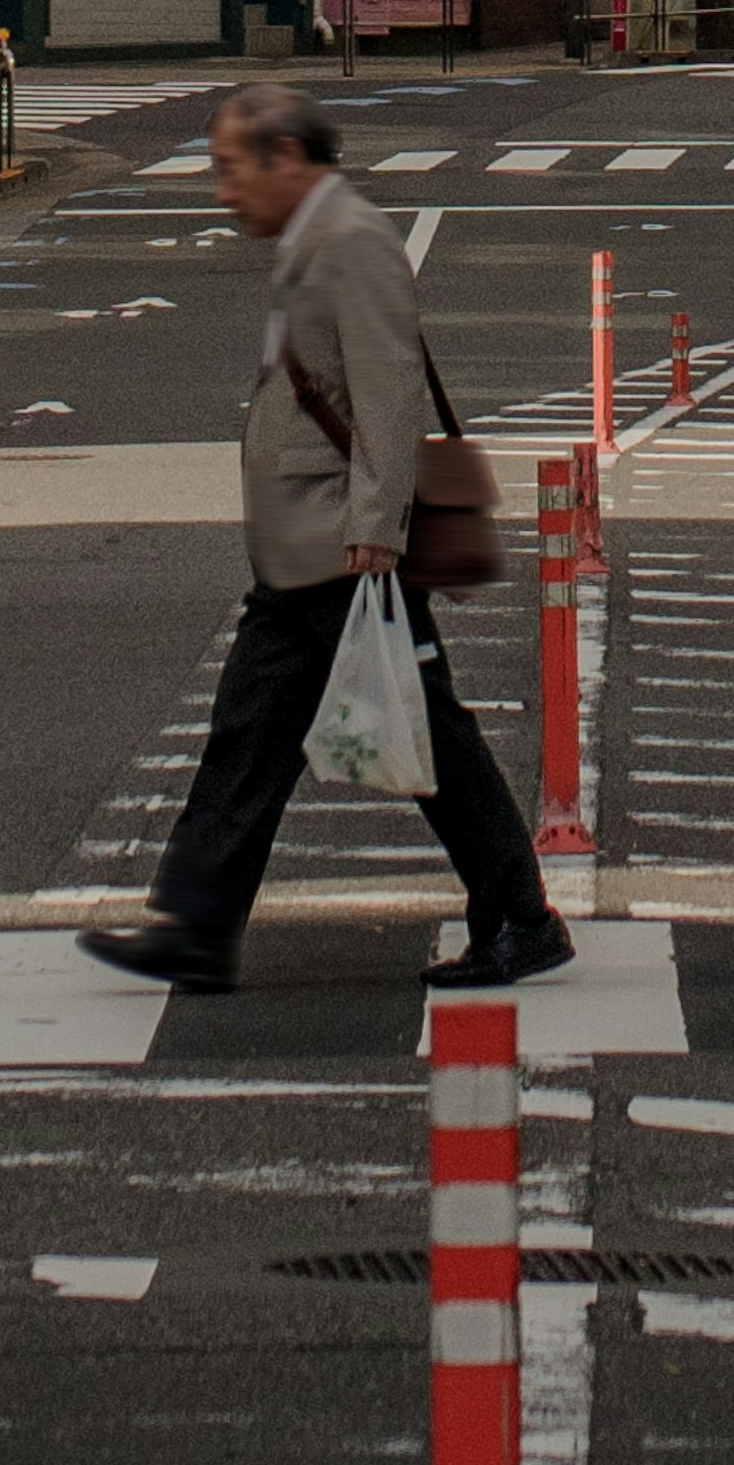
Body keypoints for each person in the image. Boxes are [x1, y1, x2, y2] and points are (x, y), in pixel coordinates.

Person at [82, 93, 570, 999]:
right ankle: (197, 927)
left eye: (235, 169)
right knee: (251, 733)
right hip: (310, 547)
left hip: (340, 547)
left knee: (412, 732)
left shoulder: (350, 239)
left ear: (285, 157)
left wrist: (376, 527)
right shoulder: (315, 239)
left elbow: (388, 390)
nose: (225, 192)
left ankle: (520, 916)